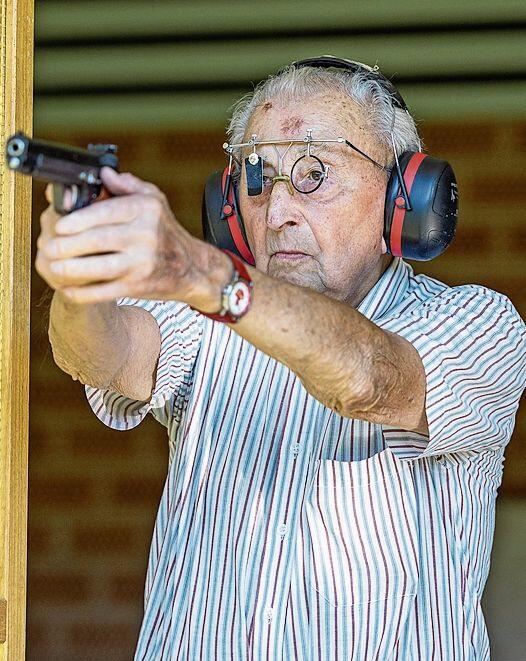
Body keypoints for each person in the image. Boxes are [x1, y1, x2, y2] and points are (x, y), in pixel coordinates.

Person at [36, 59, 525, 660]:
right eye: (259, 178)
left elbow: (370, 380)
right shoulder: (204, 308)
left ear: (404, 197)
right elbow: (105, 357)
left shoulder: (480, 323)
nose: (280, 210)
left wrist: (208, 276)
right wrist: (80, 276)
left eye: (315, 173)